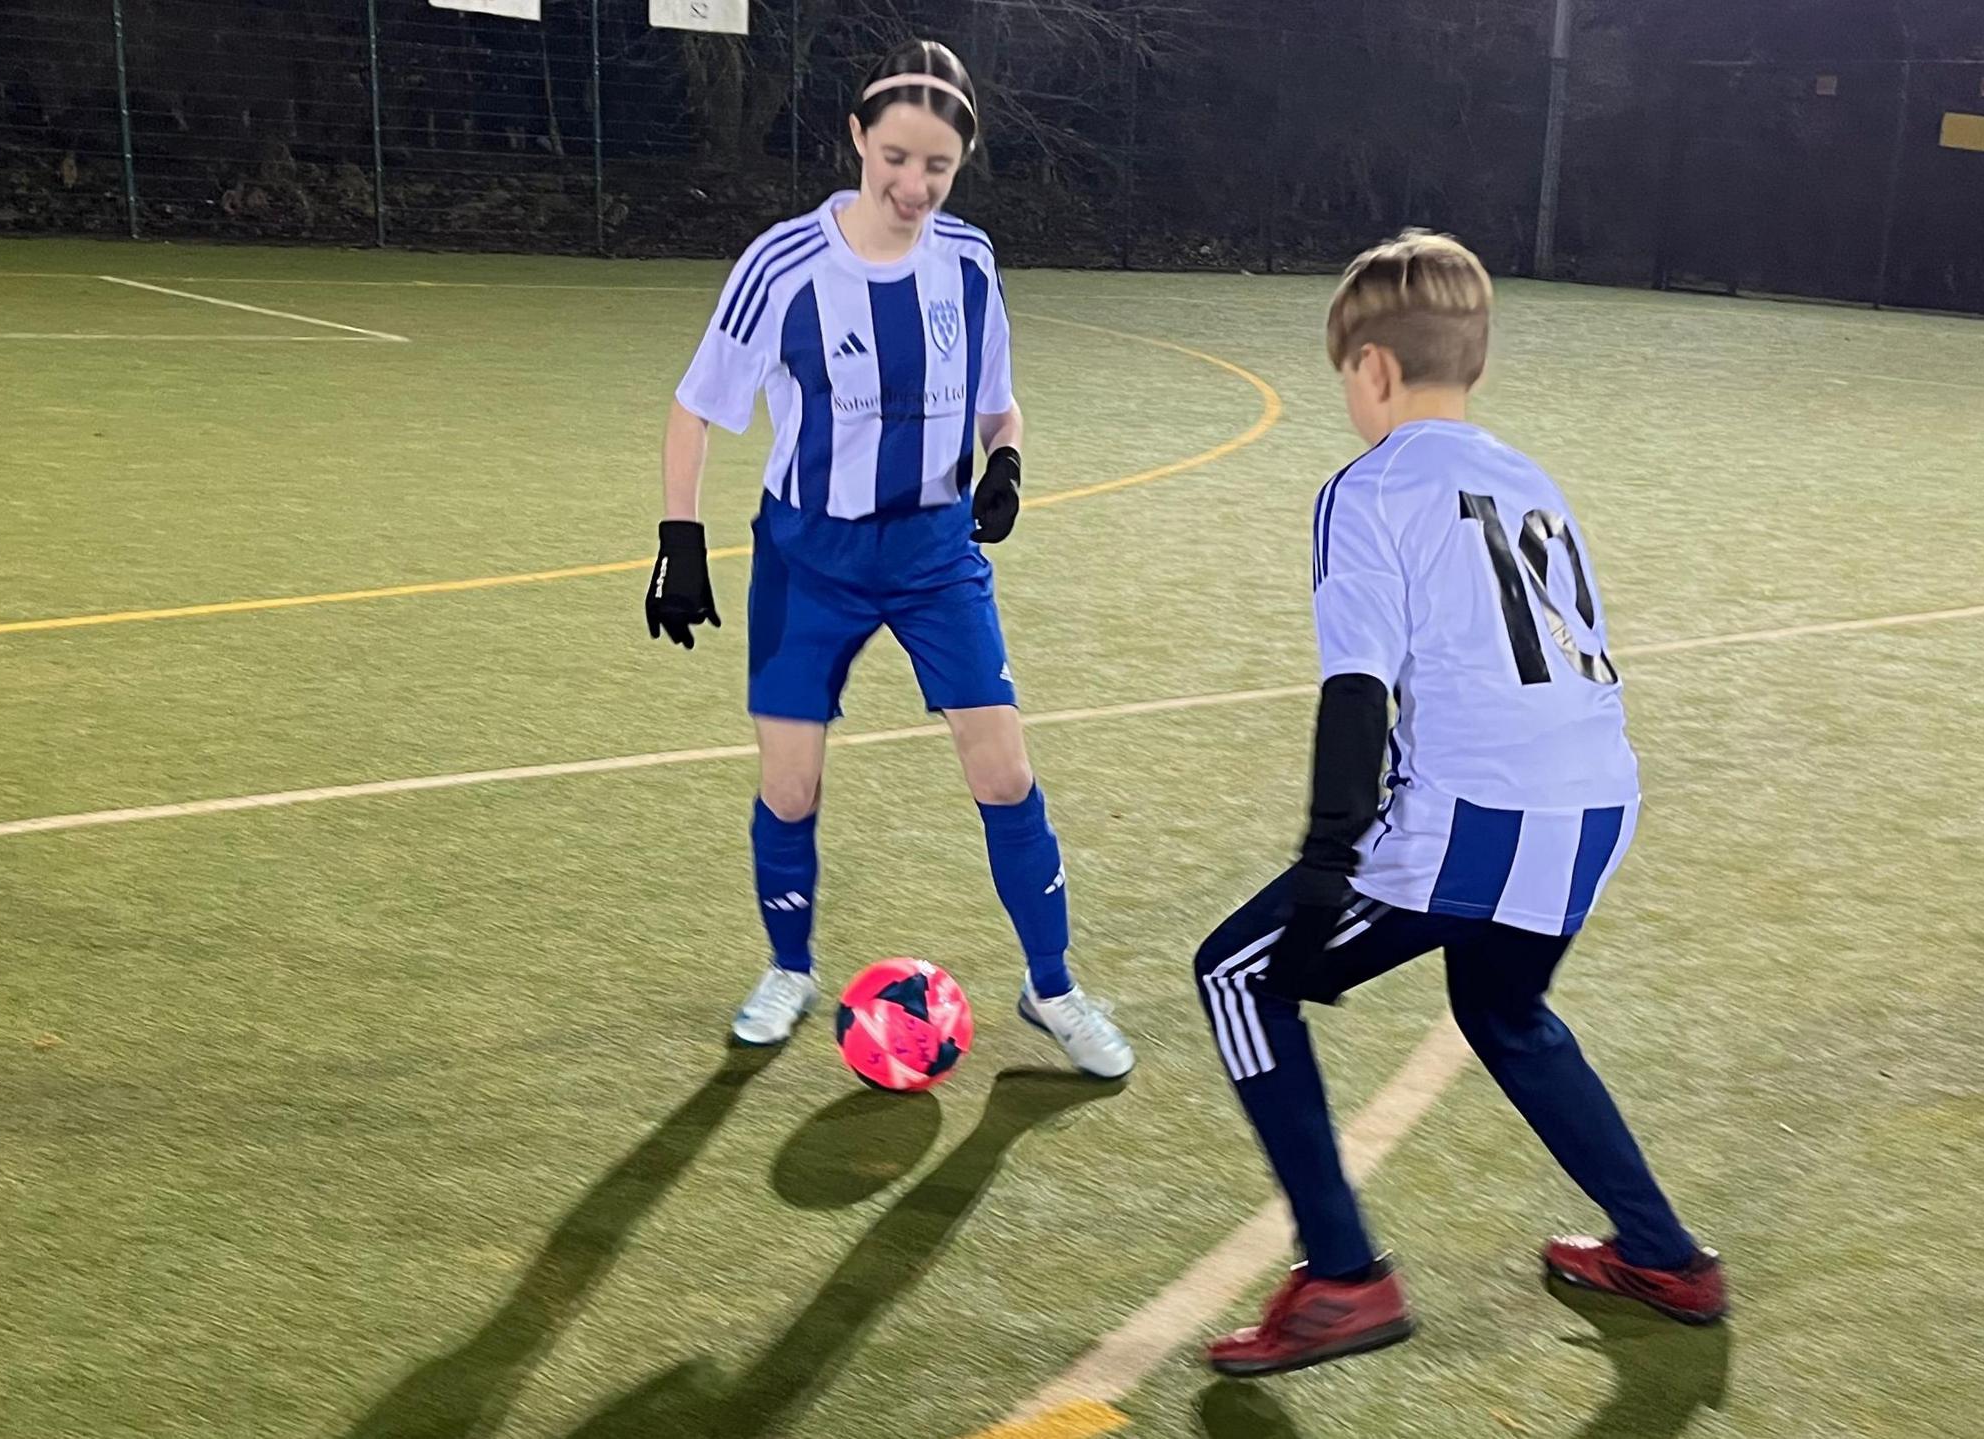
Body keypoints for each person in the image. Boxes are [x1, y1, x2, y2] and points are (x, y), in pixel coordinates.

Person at [1195, 232, 1725, 1376]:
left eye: (1345, 375)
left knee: (1238, 974)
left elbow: (1357, 691)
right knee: (1505, 1008)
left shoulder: (1369, 486)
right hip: (1596, 806)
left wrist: (1328, 853)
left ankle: (1343, 1276)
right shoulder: (1526, 474)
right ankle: (1666, 1254)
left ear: (1372, 369)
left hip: (1475, 814)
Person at [645, 40, 1133, 1080]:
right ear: (859, 139)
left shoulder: (967, 260)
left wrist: (1005, 463)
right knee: (791, 785)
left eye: (938, 168)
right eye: (897, 159)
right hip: (806, 555)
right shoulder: (782, 265)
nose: (913, 186)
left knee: (1003, 770)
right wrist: (678, 542)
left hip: (932, 550)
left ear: (960, 167)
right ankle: (788, 967)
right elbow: (695, 410)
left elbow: (1000, 402)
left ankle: (1052, 987)